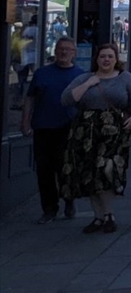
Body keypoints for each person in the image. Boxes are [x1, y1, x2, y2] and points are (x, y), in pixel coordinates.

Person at [61, 43, 131, 234]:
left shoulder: (125, 78)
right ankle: (100, 217)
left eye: (110, 57)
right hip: (86, 132)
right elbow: (66, 99)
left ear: (116, 60)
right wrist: (89, 84)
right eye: (102, 57)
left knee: (105, 168)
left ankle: (108, 214)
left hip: (113, 132)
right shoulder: (84, 78)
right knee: (89, 172)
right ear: (96, 60)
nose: (106, 60)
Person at [22, 37, 83, 224]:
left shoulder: (80, 76)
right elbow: (30, 98)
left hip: (68, 128)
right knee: (44, 171)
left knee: (65, 169)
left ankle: (69, 200)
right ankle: (49, 208)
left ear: (74, 53)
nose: (63, 52)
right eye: (60, 49)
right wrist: (26, 122)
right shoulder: (42, 73)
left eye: (68, 49)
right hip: (43, 127)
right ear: (55, 51)